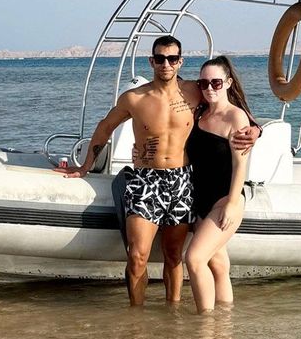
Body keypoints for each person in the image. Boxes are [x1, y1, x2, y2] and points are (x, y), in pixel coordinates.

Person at [55, 36, 256, 306]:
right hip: (145, 180)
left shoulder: (194, 92)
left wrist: (256, 131)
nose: (166, 64)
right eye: (160, 58)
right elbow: (105, 127)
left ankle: (171, 315)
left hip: (182, 181)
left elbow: (230, 110)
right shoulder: (134, 98)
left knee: (174, 256)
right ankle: (136, 319)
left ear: (180, 61)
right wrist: (84, 167)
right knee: (137, 256)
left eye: (172, 58)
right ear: (151, 61)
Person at [184, 56, 253, 313]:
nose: (209, 88)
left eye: (215, 82)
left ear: (228, 83)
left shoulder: (236, 117)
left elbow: (240, 165)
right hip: (200, 198)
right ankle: (224, 324)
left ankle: (205, 322)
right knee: (219, 264)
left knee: (194, 259)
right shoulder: (199, 113)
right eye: (203, 83)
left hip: (225, 199)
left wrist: (233, 204)